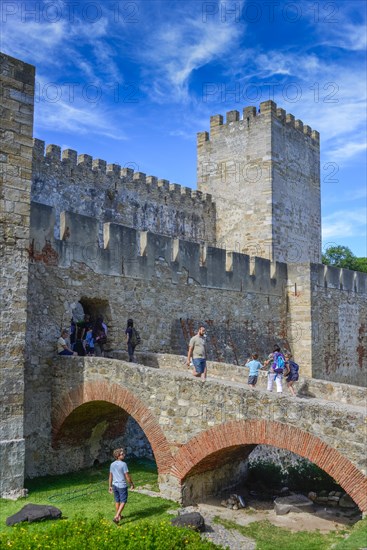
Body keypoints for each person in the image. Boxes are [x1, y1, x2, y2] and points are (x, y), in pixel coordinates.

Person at [108, 448, 134, 524]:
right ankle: (116, 516)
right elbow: (127, 476)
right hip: (122, 486)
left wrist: (110, 486)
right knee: (123, 501)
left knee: (117, 501)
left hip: (114, 485)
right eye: (122, 454)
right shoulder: (124, 464)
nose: (124, 455)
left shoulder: (112, 464)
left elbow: (110, 476)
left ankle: (119, 516)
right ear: (118, 456)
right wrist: (131, 484)